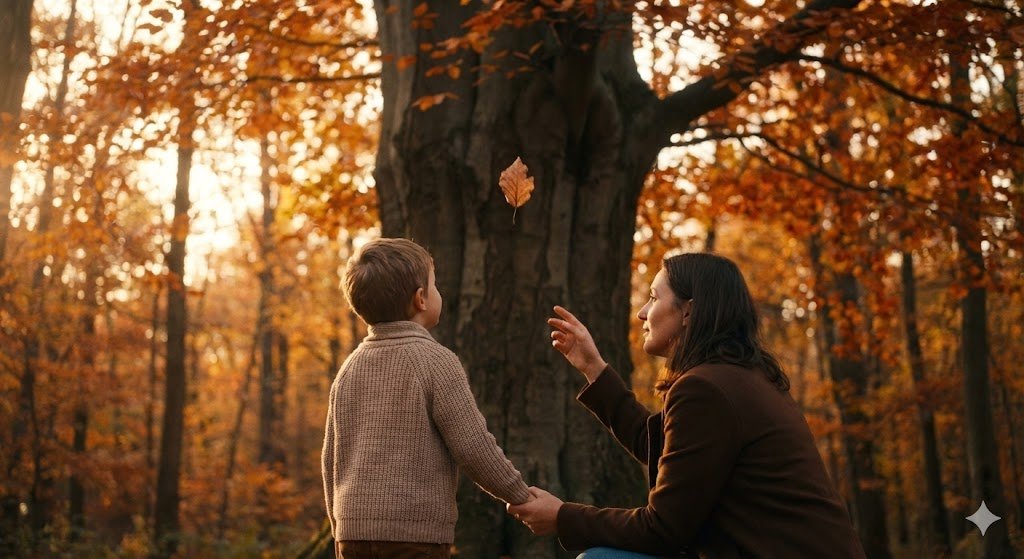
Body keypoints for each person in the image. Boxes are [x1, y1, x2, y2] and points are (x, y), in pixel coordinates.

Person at [508, 252, 866, 558]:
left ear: (688, 312)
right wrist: (593, 367)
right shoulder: (738, 378)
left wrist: (563, 517)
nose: (642, 313)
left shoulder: (706, 389)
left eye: (653, 298)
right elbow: (663, 450)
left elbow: (663, 528)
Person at [322, 237, 532, 559]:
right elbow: (473, 446)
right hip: (414, 537)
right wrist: (519, 494)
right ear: (421, 299)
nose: (439, 293)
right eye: (435, 285)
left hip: (352, 536)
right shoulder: (435, 361)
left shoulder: (349, 369)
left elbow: (331, 460)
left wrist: (340, 525)